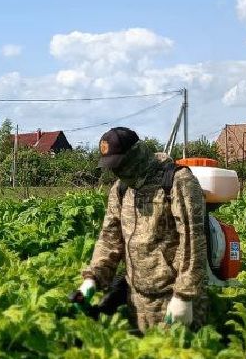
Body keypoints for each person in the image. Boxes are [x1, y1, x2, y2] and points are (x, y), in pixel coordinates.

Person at [73, 126, 208, 333]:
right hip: (136, 300)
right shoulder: (121, 189)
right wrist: (93, 278)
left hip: (171, 299)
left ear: (135, 155)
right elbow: (110, 238)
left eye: (121, 165)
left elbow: (193, 240)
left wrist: (184, 296)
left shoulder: (177, 181)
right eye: (112, 167)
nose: (117, 172)